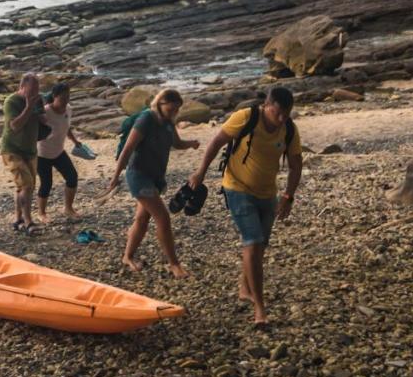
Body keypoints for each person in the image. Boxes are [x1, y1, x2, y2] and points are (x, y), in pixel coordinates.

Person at [187, 87, 303, 327]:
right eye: (278, 113)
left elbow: (295, 164)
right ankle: (260, 308)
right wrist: (200, 172)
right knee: (252, 242)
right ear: (267, 105)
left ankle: (244, 288)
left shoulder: (289, 129)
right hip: (237, 187)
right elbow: (216, 142)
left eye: (286, 114)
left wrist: (288, 196)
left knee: (258, 248)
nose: (282, 119)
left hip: (267, 194)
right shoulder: (246, 117)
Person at [107, 89, 199, 278]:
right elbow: (128, 149)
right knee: (163, 218)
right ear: (160, 103)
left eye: (176, 110)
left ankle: (127, 256)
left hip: (155, 178)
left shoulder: (167, 122)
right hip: (139, 176)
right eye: (171, 109)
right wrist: (115, 177)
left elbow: (177, 143)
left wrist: (192, 143)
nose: (173, 113)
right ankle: (174, 264)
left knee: (142, 219)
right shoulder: (146, 119)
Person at [1, 73, 44, 235]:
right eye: (32, 89)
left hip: (30, 149)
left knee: (26, 186)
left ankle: (17, 219)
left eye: (37, 89)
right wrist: (28, 107)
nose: (35, 92)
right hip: (12, 148)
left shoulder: (38, 99)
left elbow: (43, 119)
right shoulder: (11, 101)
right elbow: (15, 126)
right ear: (22, 87)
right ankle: (28, 222)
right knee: (26, 184)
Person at [36, 83, 82, 223]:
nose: (65, 100)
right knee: (46, 183)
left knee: (72, 177)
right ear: (55, 97)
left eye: (68, 97)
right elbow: (34, 130)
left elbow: (66, 127)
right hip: (42, 154)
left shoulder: (68, 109)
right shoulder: (45, 112)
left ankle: (68, 208)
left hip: (59, 151)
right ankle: (41, 213)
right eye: (62, 97)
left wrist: (75, 141)